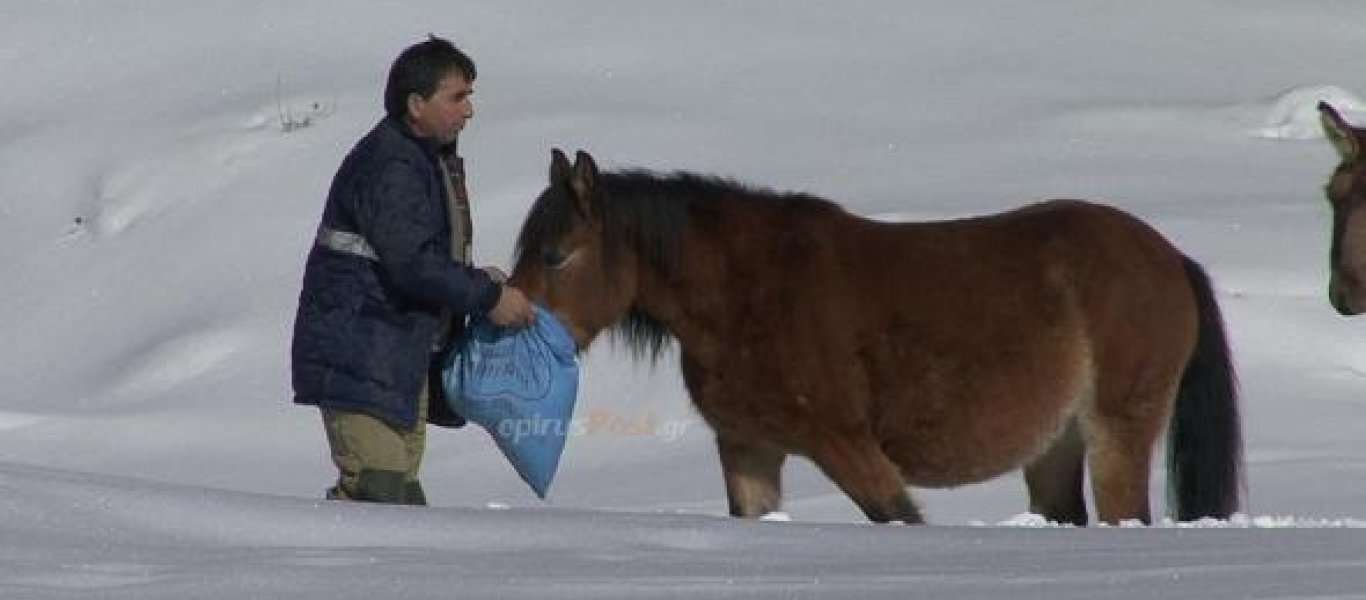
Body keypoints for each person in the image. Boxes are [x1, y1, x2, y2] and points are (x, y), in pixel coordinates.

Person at [291, 36, 535, 505]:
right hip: (362, 352)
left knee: (400, 500)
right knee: (378, 493)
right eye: (457, 97)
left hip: (396, 358)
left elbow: (415, 254)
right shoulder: (391, 165)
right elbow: (412, 264)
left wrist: (478, 279)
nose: (469, 110)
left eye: (470, 95)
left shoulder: (425, 160)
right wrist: (487, 298)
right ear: (416, 104)